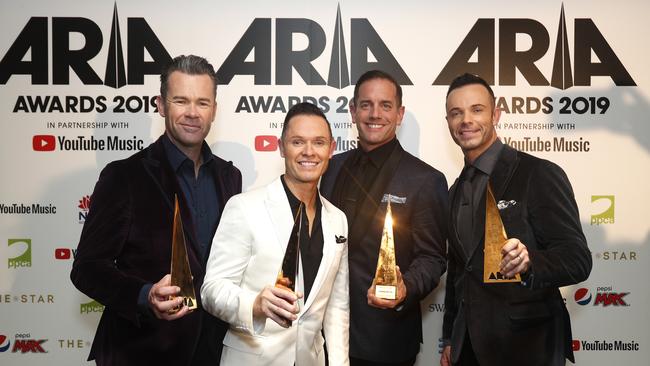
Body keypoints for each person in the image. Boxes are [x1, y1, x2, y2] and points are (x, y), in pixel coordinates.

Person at [70, 55, 242, 366]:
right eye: (181, 101)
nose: (192, 113)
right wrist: (145, 294)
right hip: (142, 350)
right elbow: (87, 268)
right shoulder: (123, 176)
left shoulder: (230, 177)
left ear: (214, 110)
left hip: (214, 349)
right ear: (161, 105)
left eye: (203, 103)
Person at [440, 73, 592, 366]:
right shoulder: (454, 190)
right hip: (467, 349)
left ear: (496, 114)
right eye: (456, 113)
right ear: (447, 121)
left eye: (477, 109)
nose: (466, 120)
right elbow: (459, 270)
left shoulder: (538, 174)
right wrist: (450, 338)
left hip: (527, 346)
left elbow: (577, 259)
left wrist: (529, 261)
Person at [201, 102, 349, 366]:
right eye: (297, 142)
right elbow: (212, 290)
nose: (308, 152)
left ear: (331, 149)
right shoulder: (244, 207)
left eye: (318, 142)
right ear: (281, 147)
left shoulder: (337, 219)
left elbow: (337, 307)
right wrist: (254, 305)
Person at [320, 70, 448, 366]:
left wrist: (406, 288)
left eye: (385, 105)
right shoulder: (328, 168)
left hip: (385, 339)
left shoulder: (425, 179)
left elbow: (433, 258)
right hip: (323, 336)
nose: (374, 114)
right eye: (365, 105)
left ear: (399, 113)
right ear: (352, 111)